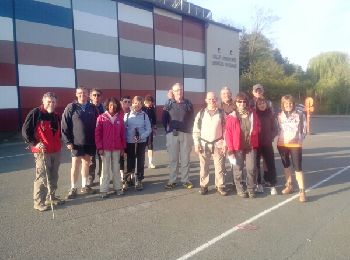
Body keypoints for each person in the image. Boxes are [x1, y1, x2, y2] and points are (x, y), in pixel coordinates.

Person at [22, 92, 64, 212]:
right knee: (42, 177)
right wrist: (34, 143)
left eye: (54, 102)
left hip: (55, 150)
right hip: (42, 151)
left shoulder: (56, 115)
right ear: (43, 101)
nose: (51, 104)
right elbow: (26, 131)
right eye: (49, 101)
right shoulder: (36, 113)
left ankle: (51, 197)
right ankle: (38, 202)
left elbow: (58, 132)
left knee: (54, 175)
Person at [61, 86, 99, 199]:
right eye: (80, 93)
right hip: (76, 143)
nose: (82, 95)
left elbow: (98, 125)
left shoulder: (93, 108)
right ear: (76, 94)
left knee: (86, 163)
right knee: (75, 165)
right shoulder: (71, 107)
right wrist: (68, 141)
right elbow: (64, 125)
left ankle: (84, 186)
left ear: (88, 95)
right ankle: (73, 188)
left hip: (90, 142)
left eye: (85, 93)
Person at [225, 92, 260, 198]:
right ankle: (240, 189)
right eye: (239, 101)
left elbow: (258, 126)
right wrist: (230, 149)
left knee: (251, 168)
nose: (242, 103)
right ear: (236, 102)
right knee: (238, 169)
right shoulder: (231, 117)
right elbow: (228, 134)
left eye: (244, 101)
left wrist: (255, 131)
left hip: (250, 146)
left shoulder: (252, 114)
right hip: (237, 147)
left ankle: (250, 188)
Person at [193, 92, 227, 196]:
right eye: (209, 99)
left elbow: (226, 130)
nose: (212, 101)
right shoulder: (201, 113)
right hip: (204, 144)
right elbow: (196, 129)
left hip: (218, 144)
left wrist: (225, 143)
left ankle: (220, 186)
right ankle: (204, 186)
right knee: (204, 167)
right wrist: (196, 143)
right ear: (206, 100)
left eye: (214, 99)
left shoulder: (222, 113)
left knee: (220, 167)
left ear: (216, 100)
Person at [162, 83, 195, 189]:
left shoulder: (188, 103)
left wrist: (189, 129)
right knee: (173, 159)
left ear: (182, 90)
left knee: (185, 159)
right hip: (172, 134)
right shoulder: (168, 104)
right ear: (173, 92)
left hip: (186, 134)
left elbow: (191, 118)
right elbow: (164, 119)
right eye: (176, 90)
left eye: (180, 90)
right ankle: (172, 180)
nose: (179, 92)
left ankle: (185, 180)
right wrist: (169, 131)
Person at [277, 95, 307, 202]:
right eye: (286, 104)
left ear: (293, 104)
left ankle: (302, 191)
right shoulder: (279, 115)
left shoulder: (299, 114)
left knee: (298, 168)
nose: (288, 105)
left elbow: (304, 129)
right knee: (286, 166)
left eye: (290, 103)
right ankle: (289, 185)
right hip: (282, 143)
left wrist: (299, 139)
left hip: (295, 144)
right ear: (283, 105)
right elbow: (278, 128)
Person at [95, 97, 126, 199]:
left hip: (117, 148)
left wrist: (123, 147)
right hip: (105, 149)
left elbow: (123, 134)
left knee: (116, 169)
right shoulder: (101, 118)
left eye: (114, 105)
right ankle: (104, 190)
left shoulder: (120, 119)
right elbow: (97, 134)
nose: (112, 107)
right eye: (110, 105)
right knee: (105, 170)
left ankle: (118, 188)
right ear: (107, 106)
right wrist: (99, 147)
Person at [124, 96, 152, 191]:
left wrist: (141, 136)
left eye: (139, 104)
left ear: (141, 105)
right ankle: (128, 180)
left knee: (140, 161)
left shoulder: (145, 115)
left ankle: (139, 180)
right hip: (130, 142)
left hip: (141, 142)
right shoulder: (127, 115)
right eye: (135, 103)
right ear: (132, 103)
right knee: (129, 161)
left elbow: (149, 129)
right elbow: (123, 129)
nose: (137, 105)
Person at [255, 97, 278, 195]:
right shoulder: (254, 114)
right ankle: (258, 184)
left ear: (266, 104)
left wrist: (270, 137)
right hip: (257, 144)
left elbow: (275, 129)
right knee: (256, 165)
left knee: (270, 164)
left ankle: (273, 185)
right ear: (257, 105)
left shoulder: (271, 114)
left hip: (267, 143)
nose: (261, 105)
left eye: (263, 103)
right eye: (259, 104)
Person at [88, 88, 105, 186]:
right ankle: (91, 178)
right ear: (91, 96)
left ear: (101, 97)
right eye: (94, 95)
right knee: (91, 160)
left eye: (98, 95)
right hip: (90, 138)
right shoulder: (88, 108)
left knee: (102, 158)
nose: (96, 97)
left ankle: (102, 177)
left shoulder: (104, 108)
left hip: (102, 138)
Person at [142, 95, 157, 169]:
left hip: (150, 130)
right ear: (147, 102)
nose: (151, 104)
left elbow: (154, 118)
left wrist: (154, 128)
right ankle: (141, 162)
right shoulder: (141, 108)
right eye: (151, 103)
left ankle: (150, 163)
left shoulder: (151, 108)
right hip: (142, 130)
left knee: (150, 146)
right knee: (142, 147)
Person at [119, 96, 132, 179]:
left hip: (130, 139)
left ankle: (129, 177)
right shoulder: (118, 113)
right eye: (125, 101)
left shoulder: (133, 112)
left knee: (130, 158)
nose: (127, 103)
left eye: (128, 102)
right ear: (121, 102)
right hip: (120, 139)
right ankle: (121, 177)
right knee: (121, 158)